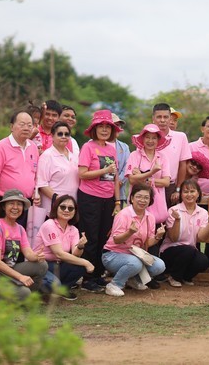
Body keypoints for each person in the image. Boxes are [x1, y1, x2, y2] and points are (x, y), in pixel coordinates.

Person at [77, 109, 122, 293]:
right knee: (91, 238)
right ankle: (87, 277)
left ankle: (98, 274)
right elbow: (82, 174)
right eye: (100, 126)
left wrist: (118, 202)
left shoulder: (111, 149)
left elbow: (115, 177)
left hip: (108, 199)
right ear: (94, 129)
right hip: (90, 198)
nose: (104, 130)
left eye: (107, 127)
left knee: (104, 237)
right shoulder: (88, 147)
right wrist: (104, 171)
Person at [0, 190, 48, 301]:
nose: (15, 207)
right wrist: (20, 277)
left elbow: (28, 253)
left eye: (19, 204)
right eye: (11, 203)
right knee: (24, 293)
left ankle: (24, 296)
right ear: (4, 207)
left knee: (42, 265)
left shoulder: (20, 229)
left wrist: (36, 256)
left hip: (7, 270)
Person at [101, 184, 167, 296]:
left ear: (150, 200)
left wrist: (158, 236)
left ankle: (134, 281)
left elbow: (148, 243)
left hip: (136, 255)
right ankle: (114, 285)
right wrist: (129, 232)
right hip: (112, 255)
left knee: (159, 266)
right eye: (139, 196)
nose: (142, 200)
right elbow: (116, 240)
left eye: (146, 197)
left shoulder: (150, 217)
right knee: (135, 263)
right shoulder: (123, 214)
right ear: (132, 198)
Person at [160, 180, 209, 286]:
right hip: (170, 251)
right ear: (181, 195)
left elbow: (201, 238)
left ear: (198, 193)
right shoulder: (174, 210)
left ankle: (185, 277)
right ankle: (174, 276)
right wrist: (177, 220)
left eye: (192, 191)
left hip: (190, 251)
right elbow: (174, 238)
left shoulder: (203, 212)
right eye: (185, 192)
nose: (189, 195)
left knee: (203, 261)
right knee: (188, 250)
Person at [33, 195, 94, 300]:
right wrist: (86, 262)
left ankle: (62, 290)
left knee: (80, 266)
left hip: (57, 264)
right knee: (83, 263)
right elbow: (59, 253)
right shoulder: (49, 225)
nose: (66, 210)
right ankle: (35, 289)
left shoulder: (73, 229)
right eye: (63, 207)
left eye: (70, 208)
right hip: (41, 264)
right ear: (56, 208)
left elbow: (75, 254)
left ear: (75, 211)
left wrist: (80, 246)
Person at [0, 109, 40, 227]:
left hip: (26, 203)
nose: (26, 128)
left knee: (21, 238)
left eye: (29, 125)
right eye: (22, 124)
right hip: (6, 201)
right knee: (5, 238)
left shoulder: (32, 147)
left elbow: (35, 174)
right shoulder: (1, 147)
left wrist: (35, 192)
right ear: (12, 126)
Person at [34, 121, 79, 243]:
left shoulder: (74, 156)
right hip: (53, 208)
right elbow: (42, 184)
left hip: (70, 209)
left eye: (66, 134)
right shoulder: (47, 156)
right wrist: (59, 200)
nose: (64, 136)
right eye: (60, 134)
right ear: (52, 136)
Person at [126, 124, 171, 226]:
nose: (150, 141)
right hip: (138, 200)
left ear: (158, 140)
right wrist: (152, 174)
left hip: (157, 202)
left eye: (154, 138)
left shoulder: (163, 157)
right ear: (142, 139)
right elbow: (132, 180)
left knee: (155, 233)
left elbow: (166, 182)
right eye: (147, 137)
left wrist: (143, 177)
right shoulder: (134, 155)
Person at [152, 103, 191, 207]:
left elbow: (183, 164)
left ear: (170, 119)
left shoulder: (181, 137)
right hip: (150, 184)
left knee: (171, 220)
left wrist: (178, 189)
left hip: (171, 187)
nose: (162, 120)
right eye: (159, 117)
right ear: (153, 119)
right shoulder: (146, 137)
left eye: (166, 117)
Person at [112, 114, 131, 205]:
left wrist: (118, 182)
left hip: (120, 193)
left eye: (118, 125)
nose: (117, 128)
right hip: (98, 192)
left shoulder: (124, 147)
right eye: (114, 125)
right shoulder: (92, 145)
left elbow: (127, 167)